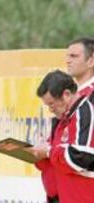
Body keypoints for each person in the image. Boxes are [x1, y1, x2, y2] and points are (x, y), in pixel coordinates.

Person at [34, 38, 94, 202]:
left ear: (91, 61)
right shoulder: (68, 109)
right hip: (62, 193)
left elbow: (82, 156)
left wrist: (48, 151)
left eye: (74, 56)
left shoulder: (85, 106)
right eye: (67, 56)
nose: (68, 60)